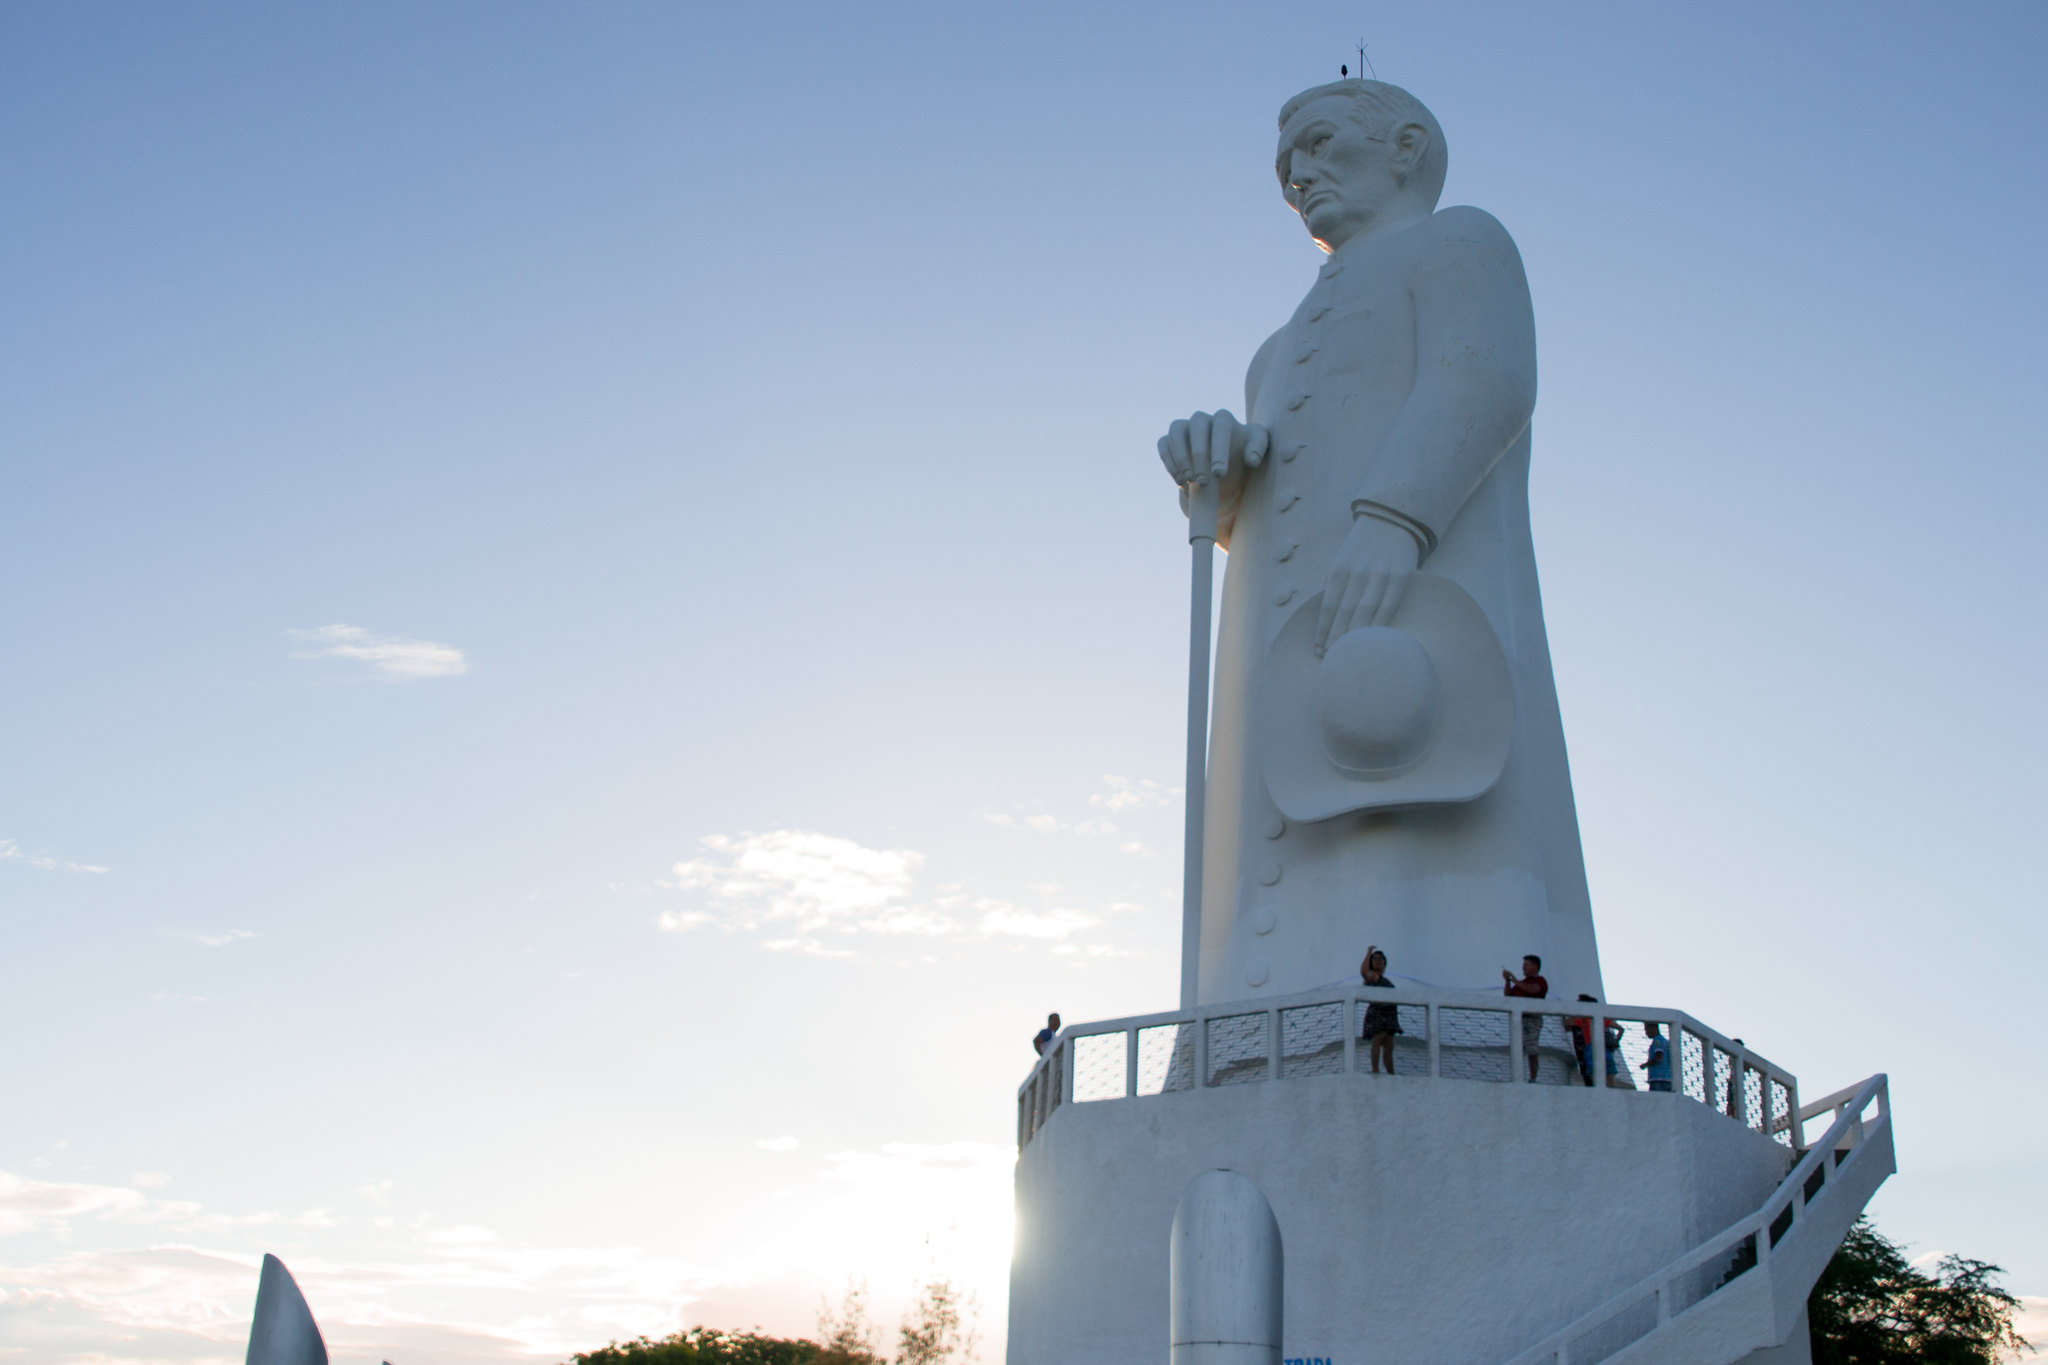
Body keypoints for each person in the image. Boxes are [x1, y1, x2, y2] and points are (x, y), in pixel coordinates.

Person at [1156, 79, 1601, 1006]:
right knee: (1280, 826)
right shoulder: (1271, 355)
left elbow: (1483, 379)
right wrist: (1226, 480)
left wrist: (1397, 518)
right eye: (1287, 171)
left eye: (1319, 148)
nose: (1299, 179)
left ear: (1404, 147)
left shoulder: (1459, 241)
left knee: (1413, 828)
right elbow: (1265, 505)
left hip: (1417, 603)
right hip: (1293, 654)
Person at [1502, 954, 1547, 1081]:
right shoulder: (1521, 984)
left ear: (1535, 966)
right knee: (1518, 1048)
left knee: (1532, 1049)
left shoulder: (1540, 981)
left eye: (1526, 964)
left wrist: (1514, 980)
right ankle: (1518, 1077)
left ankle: (1533, 1077)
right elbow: (1508, 996)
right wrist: (1507, 981)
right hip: (1520, 1019)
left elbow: (1533, 990)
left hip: (1532, 1019)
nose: (1523, 967)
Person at [1358, 946, 1400, 1074]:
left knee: (1389, 1044)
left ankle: (1390, 1073)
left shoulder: (1385, 980)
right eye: (1375, 959)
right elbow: (1364, 972)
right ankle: (1375, 1070)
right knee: (1378, 1039)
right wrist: (1368, 953)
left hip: (1389, 1015)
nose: (1378, 961)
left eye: (1381, 959)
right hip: (1379, 1014)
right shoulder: (1373, 976)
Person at [1564, 994, 1598, 1087]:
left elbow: (1567, 1023)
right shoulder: (1590, 1018)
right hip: (1586, 1046)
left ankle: (1590, 1086)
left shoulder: (1582, 1017)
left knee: (1586, 1067)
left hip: (1584, 1046)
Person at [1644, 1022, 1672, 1092]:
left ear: (1654, 1028)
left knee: (1655, 1101)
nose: (1646, 1033)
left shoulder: (1657, 1040)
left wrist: (1645, 1065)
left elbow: (1658, 1057)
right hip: (1666, 1078)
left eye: (1647, 1030)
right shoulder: (1664, 1041)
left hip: (1658, 1079)